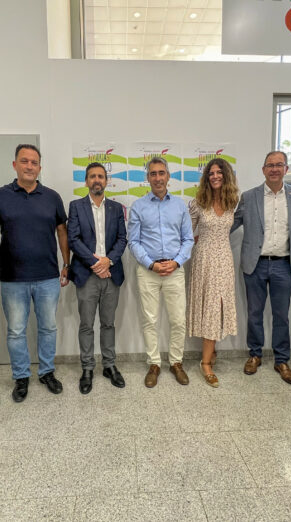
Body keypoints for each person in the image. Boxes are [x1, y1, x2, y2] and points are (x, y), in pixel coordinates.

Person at [0, 144, 70, 402]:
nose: (29, 166)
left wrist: (66, 263)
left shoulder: (52, 197)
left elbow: (62, 231)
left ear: (40, 167)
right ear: (15, 165)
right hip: (13, 278)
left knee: (48, 328)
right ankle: (21, 377)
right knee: (15, 331)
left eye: (34, 162)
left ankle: (46, 372)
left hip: (48, 277)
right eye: (24, 161)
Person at [232, 151, 291, 385]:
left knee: (281, 315)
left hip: (283, 264)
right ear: (263, 170)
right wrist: (206, 234)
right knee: (254, 313)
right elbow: (232, 222)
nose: (274, 169)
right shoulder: (249, 196)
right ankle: (255, 355)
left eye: (279, 165)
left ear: (286, 169)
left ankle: (281, 360)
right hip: (255, 264)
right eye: (270, 165)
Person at [128, 156, 193, 388]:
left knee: (178, 320)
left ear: (168, 176)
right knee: (150, 320)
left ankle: (176, 362)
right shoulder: (138, 206)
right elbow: (133, 241)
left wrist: (176, 262)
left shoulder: (180, 206)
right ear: (147, 178)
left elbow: (188, 239)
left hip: (175, 270)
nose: (157, 178)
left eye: (161, 173)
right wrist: (151, 264)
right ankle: (154, 363)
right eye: (153, 174)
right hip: (148, 271)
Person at [67, 162, 128, 394]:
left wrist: (107, 261)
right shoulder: (76, 206)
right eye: (92, 176)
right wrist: (95, 263)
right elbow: (73, 239)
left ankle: (109, 365)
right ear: (86, 181)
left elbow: (122, 239)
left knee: (108, 323)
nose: (97, 180)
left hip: (111, 273)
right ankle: (87, 368)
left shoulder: (116, 208)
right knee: (86, 325)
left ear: (106, 181)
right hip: (87, 274)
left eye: (100, 176)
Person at [187, 158, 240, 388]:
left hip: (225, 260)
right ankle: (206, 363)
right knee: (209, 307)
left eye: (219, 172)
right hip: (205, 261)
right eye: (211, 173)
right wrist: (198, 240)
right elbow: (187, 233)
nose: (215, 176)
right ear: (206, 177)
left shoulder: (232, 202)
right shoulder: (197, 203)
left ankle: (212, 351)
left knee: (219, 306)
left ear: (226, 175)